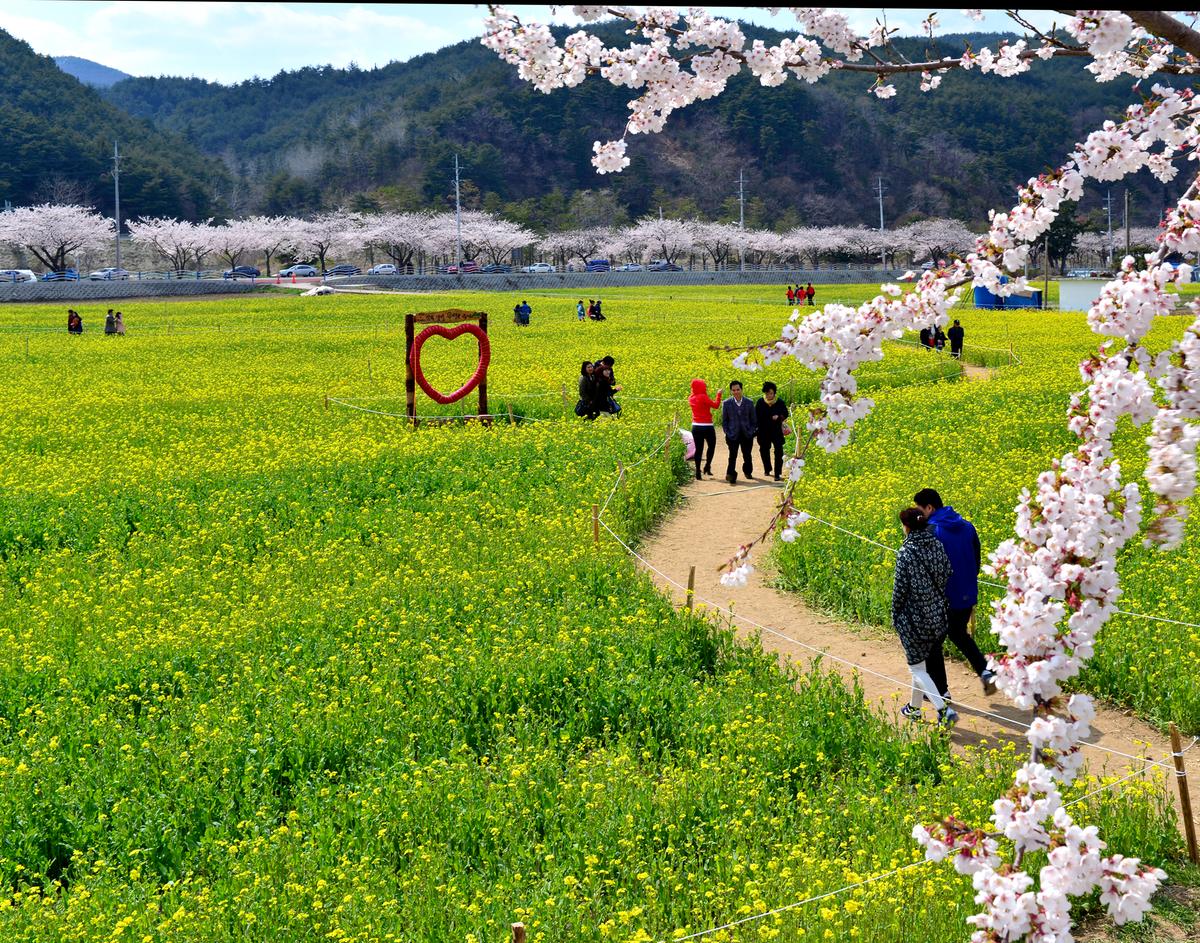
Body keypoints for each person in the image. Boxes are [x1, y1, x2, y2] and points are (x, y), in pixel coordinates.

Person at [914, 488, 998, 698]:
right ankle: (986, 671)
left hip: (943, 598)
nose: (918, 515)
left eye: (920, 510)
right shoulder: (968, 526)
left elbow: (928, 569)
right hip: (967, 595)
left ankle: (940, 692)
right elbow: (976, 561)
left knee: (933, 643)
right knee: (958, 633)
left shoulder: (931, 531)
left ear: (930, 508)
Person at [893, 507, 958, 726]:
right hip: (938, 615)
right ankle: (914, 709)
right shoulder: (937, 545)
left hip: (914, 619)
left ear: (907, 527)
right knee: (920, 665)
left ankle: (943, 709)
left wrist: (896, 615)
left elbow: (899, 590)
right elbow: (948, 572)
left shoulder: (906, 552)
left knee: (917, 668)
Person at [720, 380, 756, 484]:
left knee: (747, 455)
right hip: (732, 435)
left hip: (746, 434)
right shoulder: (726, 403)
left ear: (742, 389)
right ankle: (731, 475)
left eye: (738, 389)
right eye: (733, 390)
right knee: (732, 455)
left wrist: (751, 431)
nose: (736, 392)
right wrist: (727, 432)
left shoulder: (749, 402)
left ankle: (748, 471)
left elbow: (754, 420)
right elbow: (724, 421)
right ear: (731, 391)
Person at [687, 378, 722, 480]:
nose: (705, 387)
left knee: (698, 450)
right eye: (704, 386)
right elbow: (716, 405)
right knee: (711, 446)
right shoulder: (703, 396)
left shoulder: (691, 398)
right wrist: (718, 394)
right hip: (707, 426)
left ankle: (698, 471)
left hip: (696, 427)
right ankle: (707, 466)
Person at [755, 381, 790, 481]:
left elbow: (785, 413)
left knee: (779, 451)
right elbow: (756, 416)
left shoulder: (779, 402)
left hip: (776, 431)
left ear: (774, 393)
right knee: (764, 450)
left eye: (770, 393)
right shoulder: (760, 402)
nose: (769, 395)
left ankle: (777, 473)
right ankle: (767, 468)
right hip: (763, 431)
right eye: (767, 393)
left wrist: (779, 416)